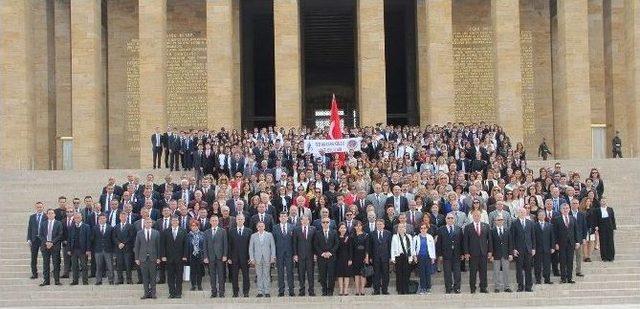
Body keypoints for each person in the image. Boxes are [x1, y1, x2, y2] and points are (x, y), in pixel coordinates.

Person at [464, 210, 493, 294]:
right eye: (475, 215)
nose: (476, 217)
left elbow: (490, 240)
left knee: (483, 271)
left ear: (480, 216)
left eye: (478, 215)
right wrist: (466, 252)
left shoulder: (486, 226)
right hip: (472, 253)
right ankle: (472, 288)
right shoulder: (468, 227)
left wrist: (490, 251)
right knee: (473, 272)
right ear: (472, 216)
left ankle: (483, 287)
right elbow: (465, 241)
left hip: (483, 252)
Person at [161, 217, 188, 299]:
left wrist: (185, 256)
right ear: (171, 222)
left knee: (179, 277)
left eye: (176, 220)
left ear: (178, 221)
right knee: (170, 277)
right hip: (169, 258)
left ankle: (178, 293)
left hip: (180, 258)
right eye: (173, 220)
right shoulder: (166, 231)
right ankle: (172, 293)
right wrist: (163, 255)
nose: (175, 222)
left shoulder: (183, 231)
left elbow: (186, 245)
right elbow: (163, 245)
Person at [134, 219, 161, 299]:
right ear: (144, 224)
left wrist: (158, 257)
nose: (148, 224)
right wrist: (137, 258)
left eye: (150, 222)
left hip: (153, 258)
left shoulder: (156, 232)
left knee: (153, 277)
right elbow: (137, 246)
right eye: (147, 222)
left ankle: (153, 293)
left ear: (152, 224)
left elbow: (158, 246)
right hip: (143, 258)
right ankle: (146, 293)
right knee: (145, 277)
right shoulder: (139, 233)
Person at [437, 213, 464, 294]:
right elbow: (439, 243)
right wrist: (440, 255)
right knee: (447, 273)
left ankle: (457, 288)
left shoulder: (458, 229)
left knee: (457, 273)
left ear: (454, 219)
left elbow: (462, 242)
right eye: (448, 218)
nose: (450, 220)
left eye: (452, 218)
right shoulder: (441, 229)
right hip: (446, 255)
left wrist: (462, 253)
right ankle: (448, 288)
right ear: (446, 220)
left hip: (457, 254)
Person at [249, 221, 276, 297]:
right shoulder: (253, 236)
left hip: (267, 257)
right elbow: (251, 248)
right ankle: (260, 291)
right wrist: (252, 258)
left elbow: (272, 246)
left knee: (266, 275)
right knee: (259, 275)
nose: (260, 227)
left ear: (264, 227)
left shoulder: (269, 235)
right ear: (257, 227)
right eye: (259, 226)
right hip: (257, 258)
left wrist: (273, 257)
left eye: (262, 226)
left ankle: (267, 291)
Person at [554, 203, 580, 283]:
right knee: (562, 261)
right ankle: (563, 278)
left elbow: (576, 231)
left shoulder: (572, 218)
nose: (566, 210)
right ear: (561, 210)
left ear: (569, 209)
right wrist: (556, 243)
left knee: (570, 261)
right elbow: (555, 233)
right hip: (561, 243)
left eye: (567, 208)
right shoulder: (557, 219)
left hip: (571, 243)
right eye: (564, 208)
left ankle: (570, 278)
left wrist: (577, 241)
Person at [203, 215, 228, 298]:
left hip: (220, 257)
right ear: (210, 222)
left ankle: (221, 292)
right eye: (212, 220)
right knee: (212, 276)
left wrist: (225, 255)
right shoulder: (206, 232)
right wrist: (205, 257)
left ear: (218, 221)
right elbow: (204, 246)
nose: (214, 222)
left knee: (221, 275)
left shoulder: (223, 231)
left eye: (216, 220)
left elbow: (225, 244)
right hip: (210, 257)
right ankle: (213, 292)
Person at [511, 207, 535, 292]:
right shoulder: (514, 223)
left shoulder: (530, 223)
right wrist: (513, 249)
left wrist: (533, 248)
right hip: (518, 250)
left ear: (526, 213)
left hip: (528, 250)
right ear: (518, 213)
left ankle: (529, 286)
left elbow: (533, 237)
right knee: (519, 269)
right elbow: (512, 238)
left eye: (524, 212)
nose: (522, 213)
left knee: (528, 269)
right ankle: (520, 286)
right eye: (520, 212)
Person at [228, 214, 252, 298]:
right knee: (234, 277)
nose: (240, 221)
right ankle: (235, 292)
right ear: (236, 220)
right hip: (234, 258)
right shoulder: (231, 231)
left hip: (245, 258)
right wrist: (229, 257)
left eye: (241, 219)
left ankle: (246, 292)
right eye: (238, 219)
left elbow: (250, 245)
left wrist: (250, 257)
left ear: (244, 220)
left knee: (246, 276)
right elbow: (229, 245)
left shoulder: (249, 231)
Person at [314, 217, 339, 296]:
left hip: (331, 257)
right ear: (321, 224)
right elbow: (316, 245)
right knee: (322, 275)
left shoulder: (334, 232)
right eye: (324, 222)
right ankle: (324, 290)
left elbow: (336, 244)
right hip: (321, 257)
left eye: (327, 222)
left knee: (331, 275)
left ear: (330, 223)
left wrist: (330, 253)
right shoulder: (317, 233)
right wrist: (322, 253)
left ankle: (330, 290)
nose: (325, 224)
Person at [273, 211, 295, 297]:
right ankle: (281, 291)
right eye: (281, 216)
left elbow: (294, 241)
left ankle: (291, 290)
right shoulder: (275, 228)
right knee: (280, 272)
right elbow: (273, 241)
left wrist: (294, 253)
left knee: (290, 272)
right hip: (279, 253)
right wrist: (274, 254)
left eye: (284, 216)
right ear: (279, 218)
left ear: (287, 218)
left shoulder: (292, 227)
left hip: (289, 253)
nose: (283, 218)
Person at [293, 215, 316, 296]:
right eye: (303, 220)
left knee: (310, 274)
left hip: (310, 255)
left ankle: (311, 291)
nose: (305, 221)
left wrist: (315, 254)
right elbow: (294, 243)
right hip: (300, 255)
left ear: (309, 221)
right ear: (301, 221)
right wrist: (295, 254)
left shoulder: (313, 229)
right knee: (301, 274)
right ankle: (302, 291)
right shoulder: (296, 229)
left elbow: (315, 243)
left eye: (307, 220)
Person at [68, 212, 91, 285]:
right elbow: (69, 238)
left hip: (83, 250)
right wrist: (69, 249)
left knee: (84, 266)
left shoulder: (86, 226)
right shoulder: (71, 227)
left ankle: (85, 281)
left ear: (81, 218)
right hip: (73, 249)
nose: (77, 219)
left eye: (78, 217)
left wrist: (88, 249)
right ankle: (75, 281)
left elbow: (88, 239)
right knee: (74, 266)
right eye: (75, 218)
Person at [369, 218, 392, 295]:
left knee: (385, 274)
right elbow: (370, 247)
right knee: (376, 275)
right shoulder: (372, 234)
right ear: (376, 225)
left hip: (385, 258)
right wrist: (371, 257)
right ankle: (376, 290)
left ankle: (385, 290)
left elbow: (390, 246)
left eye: (381, 224)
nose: (379, 225)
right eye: (378, 224)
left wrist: (390, 257)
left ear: (384, 225)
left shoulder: (388, 233)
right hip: (375, 258)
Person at [412, 224, 436, 294]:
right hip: (420, 257)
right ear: (420, 229)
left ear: (427, 229)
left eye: (424, 228)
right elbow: (413, 248)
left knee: (428, 273)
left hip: (428, 257)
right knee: (422, 273)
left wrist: (433, 258)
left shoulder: (430, 237)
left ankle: (428, 288)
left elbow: (432, 248)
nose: (423, 229)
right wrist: (414, 256)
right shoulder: (416, 237)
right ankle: (423, 288)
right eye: (421, 228)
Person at [491, 214, 512, 293]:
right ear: (495, 221)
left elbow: (510, 243)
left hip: (505, 254)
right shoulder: (492, 231)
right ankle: (497, 287)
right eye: (498, 220)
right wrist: (491, 254)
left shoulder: (507, 230)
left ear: (503, 221)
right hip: (496, 255)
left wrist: (510, 254)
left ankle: (507, 287)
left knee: (506, 271)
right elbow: (491, 243)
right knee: (496, 271)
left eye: (501, 220)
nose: (500, 221)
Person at [92, 213, 115, 285]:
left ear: (106, 219)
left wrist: (113, 250)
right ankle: (98, 280)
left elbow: (112, 239)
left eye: (104, 218)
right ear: (98, 220)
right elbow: (92, 239)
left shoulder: (110, 228)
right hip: (98, 250)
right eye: (100, 218)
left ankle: (111, 280)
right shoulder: (94, 228)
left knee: (110, 266)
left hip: (108, 250)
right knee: (98, 266)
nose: (102, 220)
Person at [114, 211, 135, 284]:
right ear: (119, 217)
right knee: (119, 265)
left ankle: (129, 279)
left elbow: (131, 237)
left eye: (124, 216)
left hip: (127, 249)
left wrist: (123, 243)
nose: (123, 218)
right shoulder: (116, 227)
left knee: (128, 265)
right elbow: (114, 237)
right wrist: (119, 243)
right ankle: (120, 279)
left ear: (127, 217)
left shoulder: (130, 226)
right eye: (122, 216)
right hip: (118, 249)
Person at [534, 210, 555, 284]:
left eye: (543, 215)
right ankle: (538, 280)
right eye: (540, 215)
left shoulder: (549, 225)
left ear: (545, 216)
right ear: (538, 216)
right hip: (537, 249)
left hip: (547, 248)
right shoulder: (534, 225)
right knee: (537, 265)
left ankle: (547, 279)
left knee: (547, 265)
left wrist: (552, 247)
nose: (542, 216)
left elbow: (552, 237)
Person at [391, 223, 412, 295]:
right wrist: (393, 257)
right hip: (398, 256)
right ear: (397, 229)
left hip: (406, 257)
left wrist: (410, 257)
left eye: (402, 227)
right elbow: (392, 247)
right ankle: (399, 290)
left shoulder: (408, 236)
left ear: (405, 228)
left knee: (406, 274)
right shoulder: (395, 236)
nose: (401, 228)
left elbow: (411, 248)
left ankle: (406, 289)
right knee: (399, 274)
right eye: (399, 227)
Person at [27, 202, 45, 280]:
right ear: (36, 208)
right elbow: (29, 228)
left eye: (40, 207)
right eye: (38, 207)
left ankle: (45, 272)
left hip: (43, 239)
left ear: (43, 207)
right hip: (34, 240)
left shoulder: (46, 216)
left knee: (45, 257)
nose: (39, 208)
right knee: (33, 257)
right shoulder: (32, 217)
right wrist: (28, 239)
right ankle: (34, 273)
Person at [570, 199, 588, 276]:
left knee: (578, 255)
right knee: (570, 256)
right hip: (569, 238)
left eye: (576, 203)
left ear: (578, 205)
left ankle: (578, 271)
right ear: (571, 204)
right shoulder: (568, 213)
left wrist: (584, 238)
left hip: (579, 238)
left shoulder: (582, 214)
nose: (575, 204)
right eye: (573, 203)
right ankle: (569, 270)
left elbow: (584, 227)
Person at [351, 221, 370, 296]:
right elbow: (351, 248)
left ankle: (362, 289)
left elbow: (367, 247)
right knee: (356, 274)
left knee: (363, 274)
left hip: (363, 256)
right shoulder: (352, 236)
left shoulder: (366, 235)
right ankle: (357, 290)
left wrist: (367, 256)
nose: (358, 227)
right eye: (356, 226)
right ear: (354, 227)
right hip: (355, 257)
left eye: (359, 226)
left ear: (362, 226)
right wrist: (351, 258)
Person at [187, 220, 205, 292]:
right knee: (192, 271)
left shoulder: (202, 234)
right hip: (191, 255)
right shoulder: (188, 235)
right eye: (192, 225)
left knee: (199, 271)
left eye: (196, 225)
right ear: (190, 227)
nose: (194, 227)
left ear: (198, 226)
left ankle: (199, 285)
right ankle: (193, 285)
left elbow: (204, 245)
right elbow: (187, 246)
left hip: (200, 255)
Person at [335, 222, 353, 296]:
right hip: (338, 258)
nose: (343, 229)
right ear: (339, 229)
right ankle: (341, 290)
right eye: (341, 228)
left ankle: (345, 290)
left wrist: (350, 259)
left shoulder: (348, 237)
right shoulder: (336, 237)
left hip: (347, 258)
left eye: (344, 228)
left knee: (346, 275)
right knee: (340, 275)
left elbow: (351, 249)